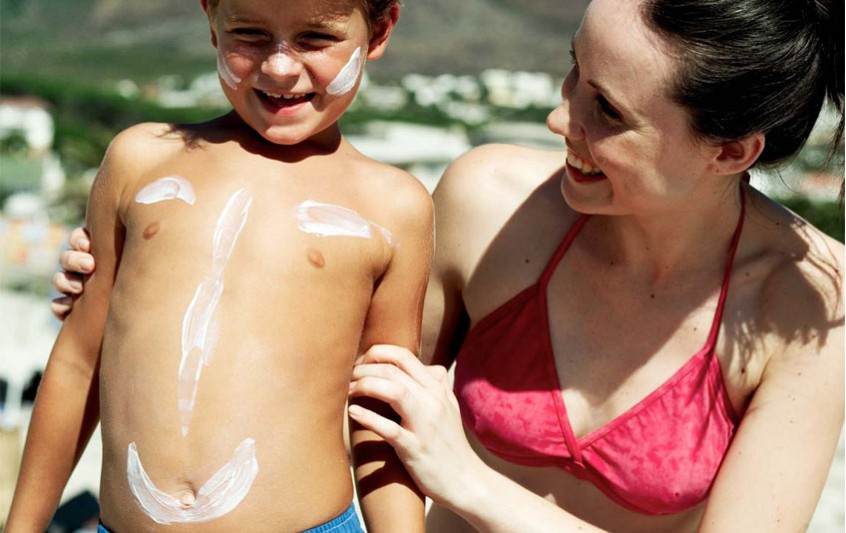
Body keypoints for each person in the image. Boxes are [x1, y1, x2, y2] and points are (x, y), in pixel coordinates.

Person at [53, 0, 845, 531]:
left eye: (606, 110)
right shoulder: (487, 203)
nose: (556, 113)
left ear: (731, 150)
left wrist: (467, 479)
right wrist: (143, 288)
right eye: (574, 69)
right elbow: (330, 374)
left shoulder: (812, 309)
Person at [8, 0, 433, 531]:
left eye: (314, 40)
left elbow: (381, 411)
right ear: (211, 20)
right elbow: (76, 364)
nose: (279, 66)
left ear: (379, 28)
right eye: (250, 35)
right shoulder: (139, 160)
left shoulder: (394, 206)